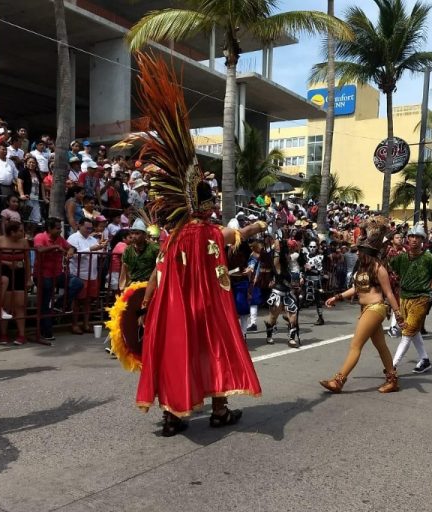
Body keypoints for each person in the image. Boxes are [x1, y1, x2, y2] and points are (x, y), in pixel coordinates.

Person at [122, 53, 265, 436]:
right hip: (207, 308)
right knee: (216, 349)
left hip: (174, 309)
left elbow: (158, 272)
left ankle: (173, 415)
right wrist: (259, 224)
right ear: (204, 205)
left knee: (175, 355)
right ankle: (218, 411)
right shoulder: (209, 232)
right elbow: (239, 235)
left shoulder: (173, 238)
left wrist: (148, 302)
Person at [319, 217, 403, 394]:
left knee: (355, 345)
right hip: (366, 309)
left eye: (360, 251)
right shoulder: (363, 268)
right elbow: (356, 289)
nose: (357, 253)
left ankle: (339, 380)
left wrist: (398, 314)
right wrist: (338, 297)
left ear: (368, 251)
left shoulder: (379, 268)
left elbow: (389, 293)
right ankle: (392, 380)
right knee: (381, 347)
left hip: (376, 308)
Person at [386, 223, 432, 376]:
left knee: (407, 332)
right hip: (404, 298)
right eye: (411, 236)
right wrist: (385, 240)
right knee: (414, 331)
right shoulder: (401, 258)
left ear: (422, 240)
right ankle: (424, 359)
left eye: (417, 237)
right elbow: (386, 265)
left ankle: (392, 366)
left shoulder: (429, 258)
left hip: (421, 299)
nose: (414, 239)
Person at [33, 217, 82, 341]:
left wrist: (70, 250)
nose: (60, 230)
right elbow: (39, 249)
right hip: (43, 275)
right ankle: (46, 331)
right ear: (49, 228)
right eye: (57, 228)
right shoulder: (40, 236)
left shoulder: (60, 239)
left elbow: (71, 247)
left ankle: (60, 304)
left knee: (77, 283)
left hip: (58, 274)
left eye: (60, 228)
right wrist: (55, 247)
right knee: (46, 302)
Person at [0, 221, 31, 345]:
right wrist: (6, 263)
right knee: (5, 305)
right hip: (4, 273)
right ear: (12, 232)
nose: (22, 233)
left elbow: (28, 260)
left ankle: (21, 334)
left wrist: (29, 278)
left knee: (20, 305)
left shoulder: (24, 242)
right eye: (20, 231)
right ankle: (3, 334)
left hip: (19, 273)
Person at [67, 218, 106, 334]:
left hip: (92, 274)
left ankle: (86, 323)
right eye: (87, 228)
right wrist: (91, 249)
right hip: (79, 274)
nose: (89, 230)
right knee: (77, 301)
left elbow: (99, 254)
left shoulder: (93, 239)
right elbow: (72, 255)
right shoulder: (73, 238)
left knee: (88, 301)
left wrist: (102, 248)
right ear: (79, 225)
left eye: (90, 228)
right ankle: (74, 324)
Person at [119, 218, 159, 290]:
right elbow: (124, 270)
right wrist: (122, 288)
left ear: (144, 235)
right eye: (132, 233)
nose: (134, 236)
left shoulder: (154, 248)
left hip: (150, 285)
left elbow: (160, 267)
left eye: (137, 233)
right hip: (132, 285)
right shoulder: (128, 250)